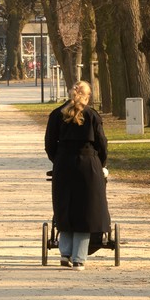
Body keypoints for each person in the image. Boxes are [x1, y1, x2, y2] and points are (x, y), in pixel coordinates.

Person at [44, 80, 109, 268]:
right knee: (86, 210)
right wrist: (101, 164)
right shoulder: (92, 115)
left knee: (65, 207)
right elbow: (102, 144)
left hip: (64, 163)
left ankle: (65, 253)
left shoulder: (56, 114)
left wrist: (58, 160)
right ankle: (79, 257)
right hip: (88, 165)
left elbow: (49, 144)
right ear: (87, 96)